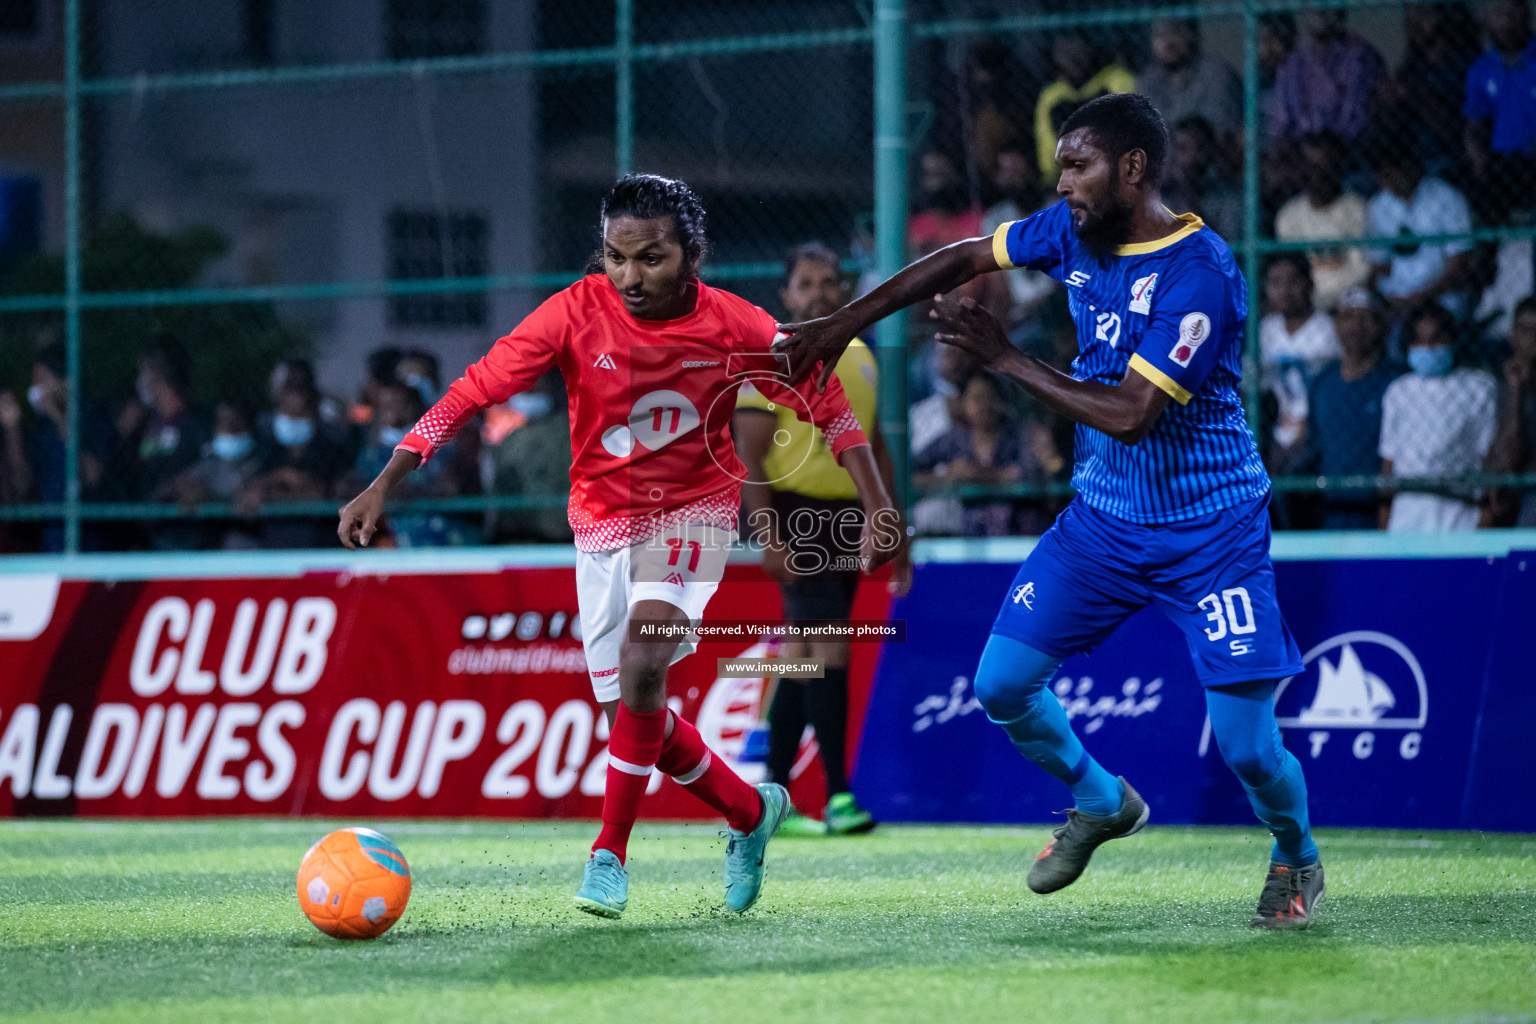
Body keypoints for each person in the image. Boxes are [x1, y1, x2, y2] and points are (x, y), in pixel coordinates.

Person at [776, 93, 1324, 930]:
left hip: (1212, 533)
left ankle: (1296, 854)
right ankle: (1101, 800)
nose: (1061, 182)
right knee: (1001, 684)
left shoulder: (1197, 272)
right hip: (1102, 524)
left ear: (1132, 169)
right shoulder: (1072, 228)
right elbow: (963, 256)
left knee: (1248, 745)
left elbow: (1133, 414)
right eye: (1060, 166)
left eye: (1078, 165)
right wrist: (842, 323)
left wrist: (1005, 359)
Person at [338, 174, 898, 919]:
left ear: (692, 254)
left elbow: (826, 400)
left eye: (651, 259)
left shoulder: (736, 324)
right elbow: (474, 389)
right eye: (616, 257)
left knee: (642, 663)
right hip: (599, 522)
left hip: (693, 515)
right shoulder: (575, 310)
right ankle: (747, 812)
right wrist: (386, 482)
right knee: (636, 716)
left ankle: (608, 855)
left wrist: (882, 502)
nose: (630, 277)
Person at [733, 242, 909, 837]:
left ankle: (770, 798)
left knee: (804, 658)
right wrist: (768, 534)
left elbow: (876, 446)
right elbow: (749, 457)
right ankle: (838, 795)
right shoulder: (773, 358)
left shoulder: (861, 357)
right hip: (794, 515)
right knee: (829, 650)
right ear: (785, 295)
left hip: (848, 518)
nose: (819, 293)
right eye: (805, 283)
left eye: (828, 281)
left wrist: (893, 526)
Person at [1379, 302, 1499, 531]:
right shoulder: (1398, 391)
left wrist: (1484, 519)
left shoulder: (1479, 387)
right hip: (1407, 519)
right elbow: (1389, 460)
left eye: (1436, 340)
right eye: (1420, 342)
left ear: (1452, 341)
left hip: (1460, 517)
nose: (1428, 348)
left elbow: (1489, 457)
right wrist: (1385, 522)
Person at [912, 372, 1060, 536]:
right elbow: (912, 472)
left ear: (1000, 402)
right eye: (977, 398)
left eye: (990, 397)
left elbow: (1033, 474)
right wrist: (947, 476)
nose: (984, 405)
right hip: (969, 540)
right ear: (963, 403)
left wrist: (982, 475)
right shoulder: (955, 438)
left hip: (1019, 534)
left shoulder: (1020, 434)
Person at [1306, 287, 1401, 529]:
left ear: (1383, 325)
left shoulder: (1397, 382)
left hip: (1383, 514)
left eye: (1366, 317)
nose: (1356, 326)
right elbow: (1314, 444)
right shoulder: (1322, 383)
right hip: (1331, 514)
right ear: (1336, 325)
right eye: (1347, 317)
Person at [1366, 144, 1474, 318]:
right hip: (1396, 300)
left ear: (1410, 167)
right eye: (1383, 176)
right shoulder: (1378, 206)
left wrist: (1419, 299)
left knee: (1426, 327)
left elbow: (1458, 268)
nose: (1388, 183)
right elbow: (1380, 264)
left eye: (1391, 174)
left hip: (1440, 300)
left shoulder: (1447, 198)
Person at [1274, 131, 1370, 312]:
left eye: (1326, 166)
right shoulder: (1289, 215)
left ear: (1338, 168)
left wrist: (1334, 300)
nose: (1319, 176)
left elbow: (1362, 269)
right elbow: (1293, 270)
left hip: (1350, 298)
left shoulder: (1357, 208)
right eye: (1312, 167)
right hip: (1306, 301)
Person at [1260, 254, 1342, 464]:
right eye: (1276, 282)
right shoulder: (1267, 328)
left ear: (1309, 284)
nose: (1285, 291)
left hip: (1317, 425)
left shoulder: (1327, 329)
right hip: (1276, 426)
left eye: (1293, 281)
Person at [1464, 0, 1536, 225]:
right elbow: (1474, 123)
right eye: (1498, 13)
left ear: (1526, 15)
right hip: (1501, 163)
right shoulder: (1481, 69)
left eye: (1512, 12)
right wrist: (1477, 155)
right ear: (1486, 21)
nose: (1505, 20)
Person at [1268, 10, 1385, 146]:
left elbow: (1356, 117)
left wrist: (1330, 145)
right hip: (1301, 150)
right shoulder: (1294, 59)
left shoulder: (1360, 55)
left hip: (1347, 149)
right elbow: (1283, 119)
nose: (1320, 9)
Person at [1034, 30, 1135, 182]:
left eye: (1076, 46)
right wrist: (1051, 177)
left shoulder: (1116, 80)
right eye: (1063, 50)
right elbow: (1047, 151)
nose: (1071, 56)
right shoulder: (1053, 96)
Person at [1135, 19, 1241, 142]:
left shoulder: (1215, 74)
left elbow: (1221, 131)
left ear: (1192, 35)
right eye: (1160, 35)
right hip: (1167, 156)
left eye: (1175, 32)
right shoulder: (1148, 80)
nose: (1168, 43)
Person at [1489, 296, 1536, 523]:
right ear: (1514, 335)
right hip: (1505, 486)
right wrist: (1515, 393)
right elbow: (1506, 457)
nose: (1534, 339)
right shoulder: (1497, 386)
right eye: (1526, 330)